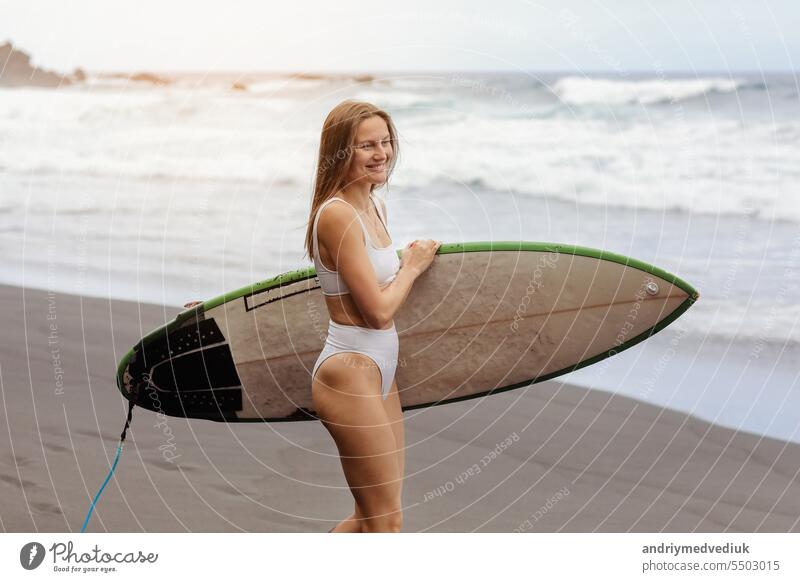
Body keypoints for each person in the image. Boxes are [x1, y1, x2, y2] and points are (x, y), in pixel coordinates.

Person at [186, 99, 438, 533]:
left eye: (386, 141)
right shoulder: (337, 215)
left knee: (373, 517)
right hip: (349, 372)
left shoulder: (373, 206)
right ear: (341, 151)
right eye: (366, 146)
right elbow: (377, 312)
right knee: (386, 524)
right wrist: (413, 267)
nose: (381, 153)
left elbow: (322, 281)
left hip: (381, 370)